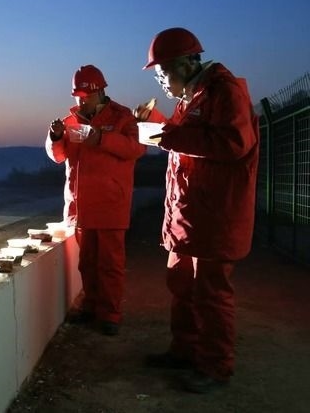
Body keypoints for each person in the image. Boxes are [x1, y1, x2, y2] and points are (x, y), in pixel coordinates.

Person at [134, 27, 259, 393]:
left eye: (162, 72)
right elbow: (189, 139)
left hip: (214, 216)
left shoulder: (225, 91)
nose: (160, 81)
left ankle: (215, 368)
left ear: (186, 64)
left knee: (210, 293)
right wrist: (159, 125)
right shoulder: (194, 96)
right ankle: (185, 351)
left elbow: (232, 143)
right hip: (189, 215)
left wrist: (168, 135)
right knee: (183, 286)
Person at [45, 65, 145, 336]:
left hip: (111, 204)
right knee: (87, 262)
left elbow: (136, 149)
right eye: (77, 96)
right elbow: (58, 156)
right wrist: (55, 137)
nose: (81, 101)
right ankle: (91, 307)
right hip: (81, 206)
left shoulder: (123, 117)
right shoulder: (70, 121)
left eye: (85, 96)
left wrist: (101, 138)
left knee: (110, 264)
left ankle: (110, 314)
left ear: (99, 91)